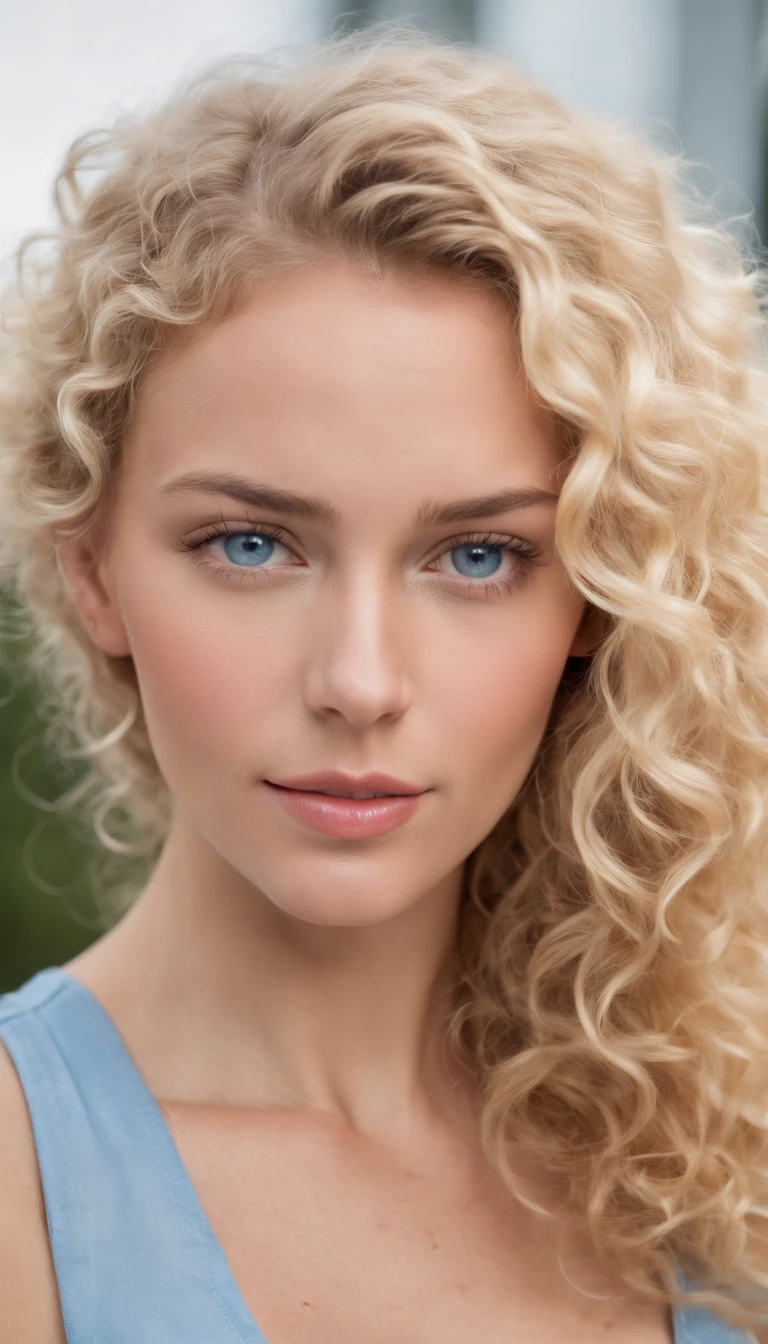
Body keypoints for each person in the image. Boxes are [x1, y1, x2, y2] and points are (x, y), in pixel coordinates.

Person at [0, 23, 765, 1344]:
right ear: (95, 572)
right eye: (251, 544)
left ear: (598, 595)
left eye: (477, 555)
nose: (360, 681)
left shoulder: (713, 1162)